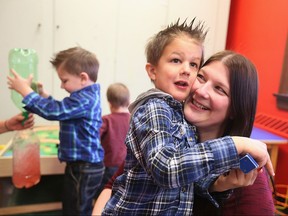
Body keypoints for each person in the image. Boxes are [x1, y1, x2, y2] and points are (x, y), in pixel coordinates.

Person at [101, 19, 273, 215]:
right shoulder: (157, 111)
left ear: (235, 108)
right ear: (152, 70)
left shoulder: (186, 132)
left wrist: (216, 185)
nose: (200, 90)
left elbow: (185, 180)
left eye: (193, 66)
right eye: (202, 77)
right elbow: (163, 169)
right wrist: (234, 144)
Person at [7, 46, 104, 216]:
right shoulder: (83, 98)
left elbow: (55, 112)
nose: (61, 85)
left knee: (77, 208)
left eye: (64, 80)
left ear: (82, 78)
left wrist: (25, 91)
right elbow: (62, 108)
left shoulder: (85, 100)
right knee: (73, 203)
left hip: (84, 167)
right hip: (81, 166)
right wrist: (43, 95)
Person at [95, 82, 130, 199]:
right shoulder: (134, 120)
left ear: (110, 103)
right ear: (129, 102)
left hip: (111, 166)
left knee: (106, 195)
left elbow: (94, 137)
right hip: (129, 165)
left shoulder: (106, 120)